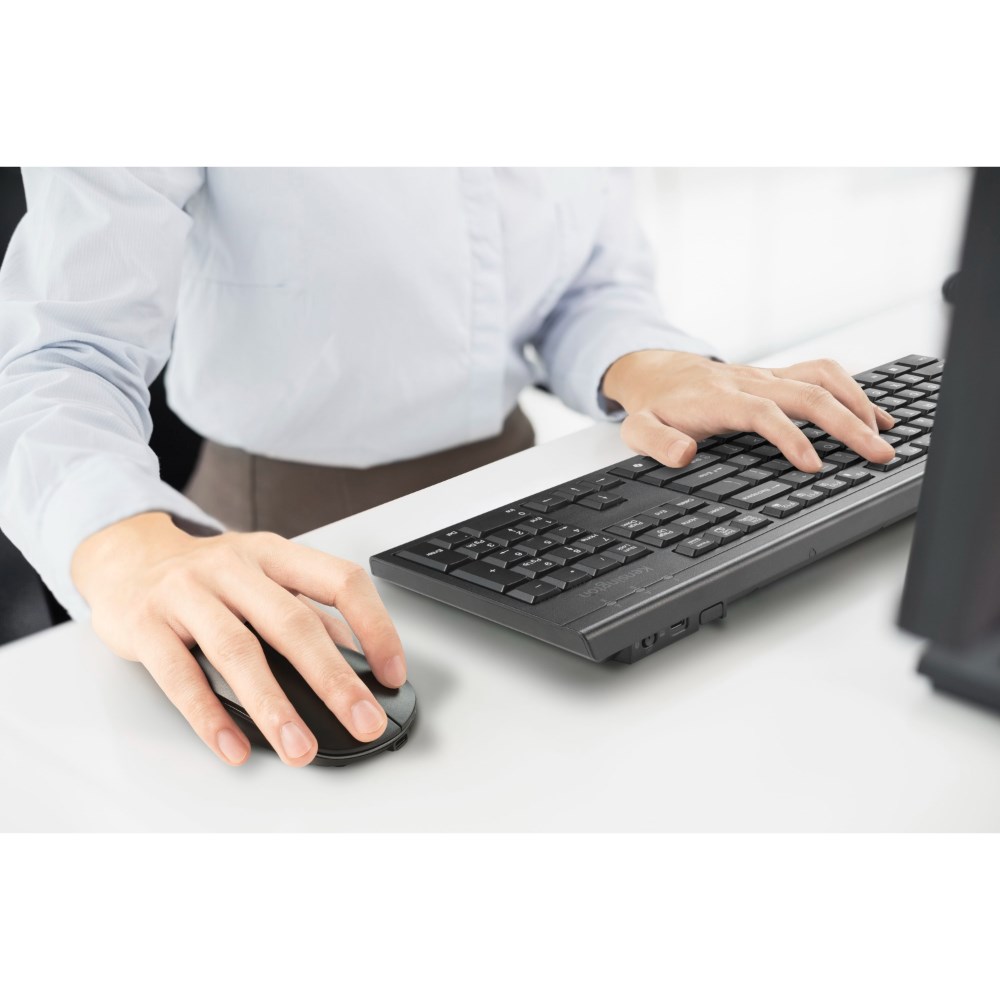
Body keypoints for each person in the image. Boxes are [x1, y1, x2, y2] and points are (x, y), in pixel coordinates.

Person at [0, 168, 895, 768]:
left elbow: (585, 282)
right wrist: (120, 543)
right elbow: (56, 350)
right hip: (286, 526)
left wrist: (647, 360)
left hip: (522, 497)